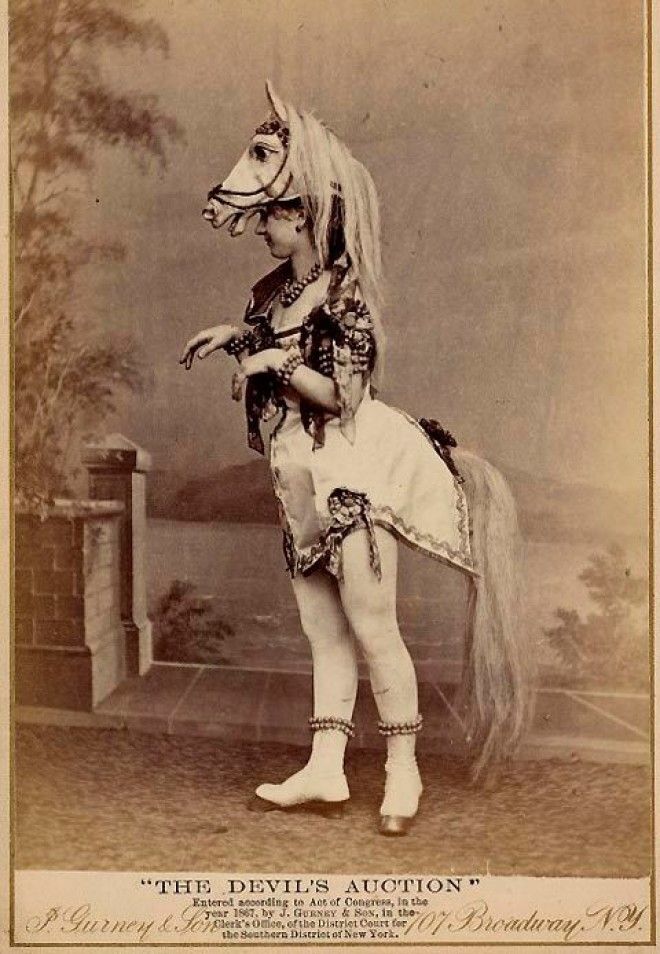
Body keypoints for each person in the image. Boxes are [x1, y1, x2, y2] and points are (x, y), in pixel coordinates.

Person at [180, 83, 534, 836]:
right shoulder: (276, 294)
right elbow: (276, 343)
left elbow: (342, 396)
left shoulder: (344, 295)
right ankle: (327, 767)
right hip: (298, 477)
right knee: (323, 629)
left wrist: (271, 362)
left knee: (373, 626)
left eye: (274, 216)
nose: (262, 228)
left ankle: (403, 770)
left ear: (305, 212)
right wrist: (235, 337)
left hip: (350, 476)